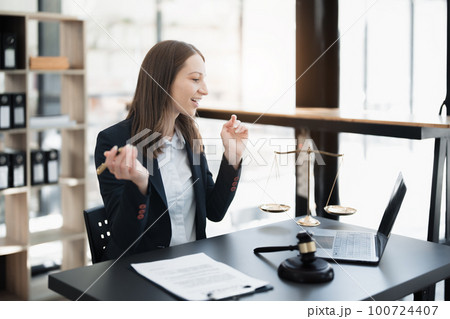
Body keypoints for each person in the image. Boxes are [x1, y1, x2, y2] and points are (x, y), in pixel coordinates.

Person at [95, 40, 248, 261]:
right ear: (163, 82)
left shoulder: (189, 136)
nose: (204, 90)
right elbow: (125, 238)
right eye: (196, 79)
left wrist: (232, 157)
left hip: (193, 264)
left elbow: (215, 211)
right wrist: (140, 185)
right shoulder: (114, 141)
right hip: (142, 270)